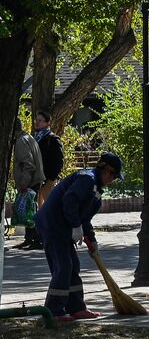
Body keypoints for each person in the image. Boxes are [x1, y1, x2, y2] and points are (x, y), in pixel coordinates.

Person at [34, 152, 122, 322]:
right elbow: (69, 200)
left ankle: (76, 308)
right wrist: (75, 225)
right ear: (107, 170)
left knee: (73, 265)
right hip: (52, 224)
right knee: (64, 266)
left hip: (62, 225)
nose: (113, 180)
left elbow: (84, 217)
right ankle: (53, 311)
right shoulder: (87, 179)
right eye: (114, 176)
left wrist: (92, 239)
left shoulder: (95, 189)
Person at [21, 111, 63, 250]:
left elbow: (58, 161)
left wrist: (51, 178)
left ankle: (41, 239)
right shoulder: (34, 138)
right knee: (31, 208)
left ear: (47, 123)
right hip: (33, 179)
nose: (37, 122)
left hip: (46, 180)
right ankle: (30, 238)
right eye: (36, 120)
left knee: (43, 210)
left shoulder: (52, 139)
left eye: (40, 120)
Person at [10, 120, 45, 246]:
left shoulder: (21, 141)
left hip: (31, 180)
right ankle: (29, 238)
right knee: (28, 208)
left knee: (30, 209)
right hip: (34, 179)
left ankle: (36, 239)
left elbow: (28, 164)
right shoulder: (27, 137)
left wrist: (24, 183)